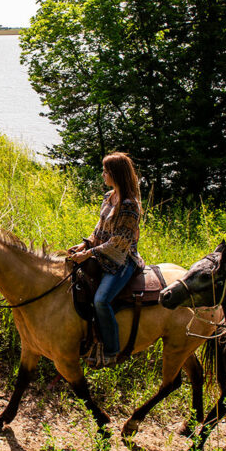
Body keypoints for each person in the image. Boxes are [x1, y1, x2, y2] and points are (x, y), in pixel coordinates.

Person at [68, 152, 145, 367]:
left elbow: (119, 242)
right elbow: (99, 229)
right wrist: (85, 243)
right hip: (101, 253)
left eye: (106, 171)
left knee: (101, 300)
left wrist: (90, 253)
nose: (103, 175)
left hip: (121, 260)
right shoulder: (109, 197)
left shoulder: (130, 205)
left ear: (115, 174)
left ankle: (112, 350)